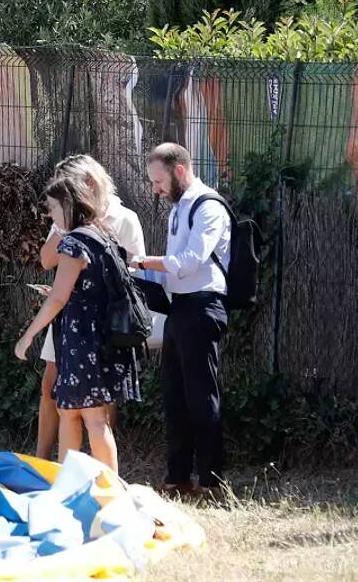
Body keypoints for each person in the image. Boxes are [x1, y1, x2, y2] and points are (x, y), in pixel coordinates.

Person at [13, 174, 141, 473]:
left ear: (69, 205)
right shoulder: (101, 235)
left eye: (53, 208)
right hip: (99, 338)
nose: (50, 216)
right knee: (68, 409)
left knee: (94, 418)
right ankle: (67, 483)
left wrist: (28, 336)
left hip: (85, 341)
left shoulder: (74, 242)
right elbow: (89, 288)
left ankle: (109, 490)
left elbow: (58, 298)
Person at [132, 142, 232, 497]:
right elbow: (173, 271)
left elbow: (189, 262)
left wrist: (146, 262)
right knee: (174, 397)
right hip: (180, 309)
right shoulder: (179, 208)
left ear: (179, 170)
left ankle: (211, 482)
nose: (155, 190)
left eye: (158, 182)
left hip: (203, 307)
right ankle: (177, 479)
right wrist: (134, 273)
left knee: (202, 397)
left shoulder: (208, 207)